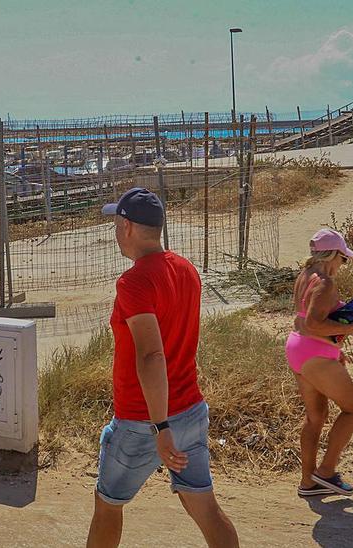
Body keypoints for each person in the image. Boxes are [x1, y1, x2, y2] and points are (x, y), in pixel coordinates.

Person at [86, 188, 239, 548]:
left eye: (115, 223)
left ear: (126, 227)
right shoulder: (185, 269)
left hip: (146, 420)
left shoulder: (134, 281)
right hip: (190, 410)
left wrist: (161, 427)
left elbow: (151, 356)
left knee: (108, 504)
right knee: (205, 509)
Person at [286, 228, 353, 497]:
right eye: (342, 259)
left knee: (315, 417)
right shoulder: (325, 282)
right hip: (314, 353)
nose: (342, 265)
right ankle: (326, 472)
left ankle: (308, 482)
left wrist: (336, 343)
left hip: (300, 348)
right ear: (333, 255)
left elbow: (304, 321)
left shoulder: (304, 277)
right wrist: (350, 329)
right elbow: (313, 323)